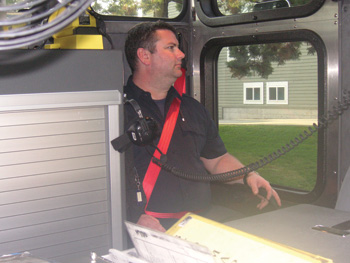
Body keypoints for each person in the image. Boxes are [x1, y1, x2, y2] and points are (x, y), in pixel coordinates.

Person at [123, 21, 281, 232]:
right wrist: (133, 217)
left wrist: (249, 175)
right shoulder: (117, 113)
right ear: (144, 56)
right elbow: (101, 181)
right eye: (171, 48)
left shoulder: (192, 108)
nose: (181, 54)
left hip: (201, 222)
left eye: (178, 48)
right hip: (151, 227)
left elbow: (217, 161)